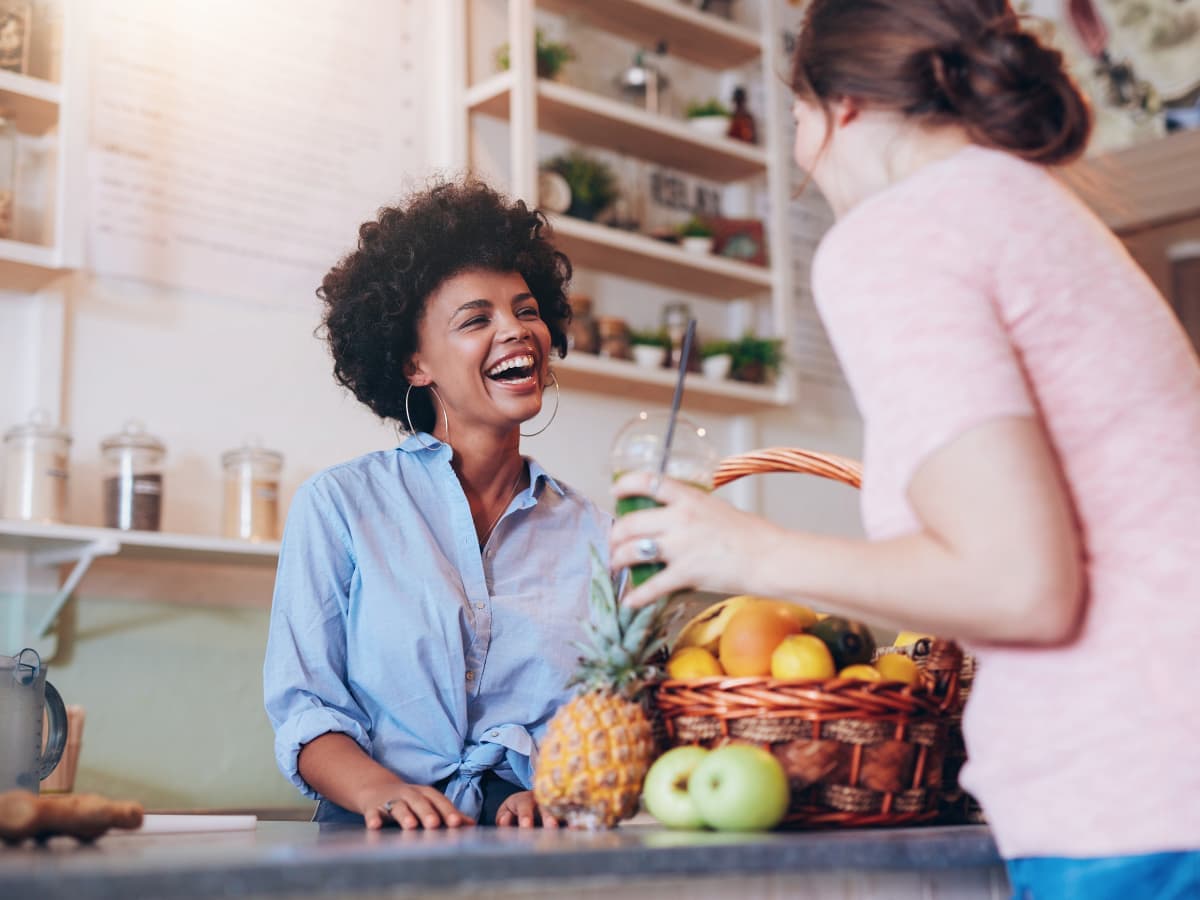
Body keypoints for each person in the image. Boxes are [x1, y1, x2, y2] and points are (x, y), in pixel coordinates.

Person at [610, 1, 1200, 896]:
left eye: (798, 122)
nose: (805, 159)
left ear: (840, 106)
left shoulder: (899, 233)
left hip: (1133, 796)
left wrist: (745, 548)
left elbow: (1021, 586)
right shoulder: (1037, 209)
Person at [264, 179, 608, 830]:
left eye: (526, 310)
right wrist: (379, 792)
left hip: (532, 850)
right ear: (414, 362)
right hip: (370, 844)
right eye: (476, 319)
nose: (516, 331)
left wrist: (548, 790)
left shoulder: (595, 532)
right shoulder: (338, 507)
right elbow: (307, 710)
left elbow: (602, 715)